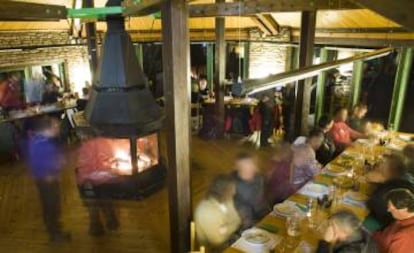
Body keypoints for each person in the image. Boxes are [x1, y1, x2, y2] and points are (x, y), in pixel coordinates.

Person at [27, 116, 70, 242]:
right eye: (56, 126)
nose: (58, 129)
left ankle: (55, 229)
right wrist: (57, 163)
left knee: (50, 206)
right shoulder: (43, 145)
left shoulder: (38, 141)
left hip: (45, 180)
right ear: (47, 129)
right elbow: (42, 163)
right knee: (52, 207)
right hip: (48, 180)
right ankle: (55, 234)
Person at [77, 129, 120, 236]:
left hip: (89, 181)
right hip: (105, 179)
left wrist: (83, 179)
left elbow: (84, 166)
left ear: (85, 136)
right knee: (107, 200)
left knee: (92, 205)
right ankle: (112, 222)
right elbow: (110, 159)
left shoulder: (86, 147)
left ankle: (96, 227)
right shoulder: (105, 142)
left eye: (80, 136)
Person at [194, 174, 241, 250]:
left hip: (229, 240)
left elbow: (237, 220)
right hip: (213, 249)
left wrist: (226, 228)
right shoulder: (207, 211)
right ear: (223, 191)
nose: (235, 192)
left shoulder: (227, 200)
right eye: (232, 189)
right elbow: (218, 240)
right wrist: (232, 225)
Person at [366, 154, 409, 228]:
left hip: (382, 226)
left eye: (379, 169)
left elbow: (370, 206)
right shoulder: (404, 180)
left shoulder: (382, 195)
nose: (376, 166)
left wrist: (377, 183)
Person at [231, 152, 269, 229]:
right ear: (237, 167)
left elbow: (262, 202)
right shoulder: (233, 186)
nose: (249, 170)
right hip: (245, 224)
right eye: (244, 168)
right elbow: (242, 213)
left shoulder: (259, 178)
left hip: (261, 216)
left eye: (251, 166)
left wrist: (269, 215)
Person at [373, 187, 414, 252]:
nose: (388, 210)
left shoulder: (405, 238)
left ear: (403, 209)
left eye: (390, 207)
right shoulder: (401, 219)